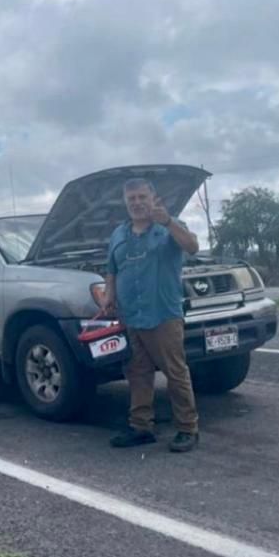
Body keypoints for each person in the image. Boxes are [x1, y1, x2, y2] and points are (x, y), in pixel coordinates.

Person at [103, 178, 201, 453]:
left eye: (141, 197)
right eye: (131, 198)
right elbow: (111, 268)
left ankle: (187, 428)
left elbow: (192, 246)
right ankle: (141, 427)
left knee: (175, 372)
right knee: (137, 373)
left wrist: (168, 221)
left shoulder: (169, 227)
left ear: (153, 197)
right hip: (131, 316)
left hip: (163, 315)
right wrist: (109, 294)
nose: (136, 203)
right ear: (126, 203)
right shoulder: (118, 234)